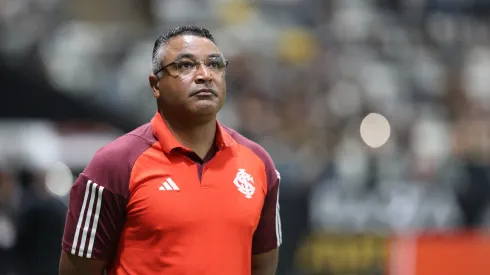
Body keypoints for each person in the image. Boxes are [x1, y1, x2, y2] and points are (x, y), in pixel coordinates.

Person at [59, 25, 282, 275]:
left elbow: (263, 265)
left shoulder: (258, 163)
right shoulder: (115, 164)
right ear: (156, 85)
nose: (204, 75)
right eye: (185, 65)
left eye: (215, 64)